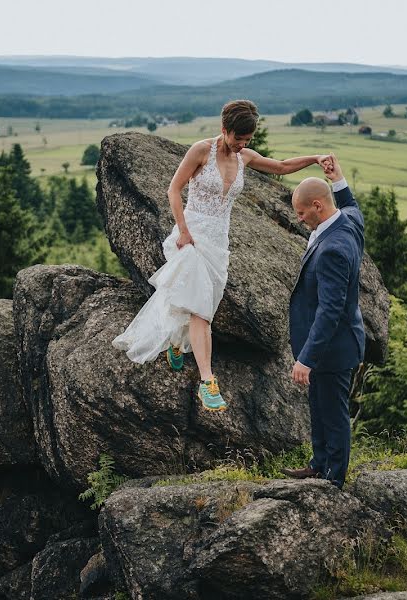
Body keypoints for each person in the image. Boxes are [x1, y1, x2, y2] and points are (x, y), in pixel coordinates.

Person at [113, 99, 327, 412]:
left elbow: (281, 167)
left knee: (202, 302)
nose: (243, 145)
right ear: (224, 130)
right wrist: (183, 231)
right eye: (238, 138)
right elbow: (174, 189)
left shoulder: (245, 157)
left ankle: (176, 342)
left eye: (248, 140)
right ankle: (207, 381)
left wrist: (316, 158)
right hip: (193, 236)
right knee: (202, 311)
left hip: (218, 243)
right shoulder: (201, 151)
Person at [282, 154, 365, 489]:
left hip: (333, 348)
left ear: (317, 206)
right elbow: (351, 203)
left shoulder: (334, 247)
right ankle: (318, 464)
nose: (299, 219)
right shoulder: (349, 219)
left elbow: (330, 310)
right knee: (318, 408)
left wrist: (307, 358)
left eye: (302, 213)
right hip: (332, 345)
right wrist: (338, 178)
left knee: (333, 415)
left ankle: (334, 480)